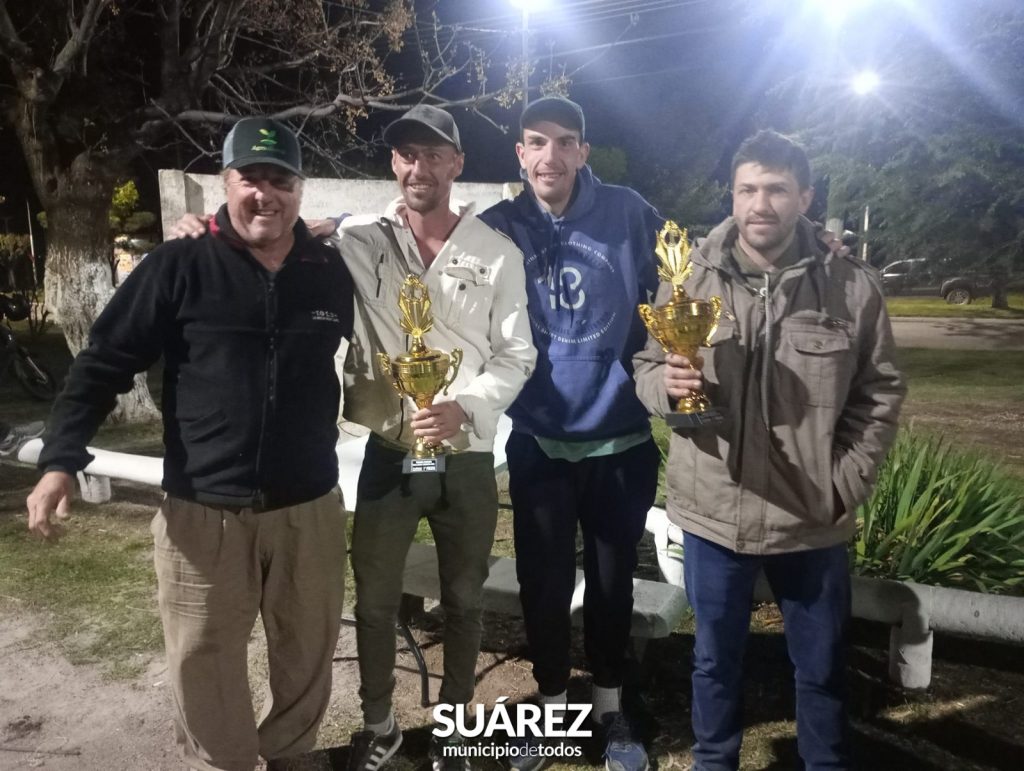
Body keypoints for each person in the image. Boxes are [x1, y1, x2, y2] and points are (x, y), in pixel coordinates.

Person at [26, 117, 354, 771]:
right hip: (203, 509)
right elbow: (104, 361)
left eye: (280, 180)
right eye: (250, 178)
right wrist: (61, 458)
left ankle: (292, 752)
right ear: (226, 183)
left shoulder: (328, 269)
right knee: (202, 655)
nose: (265, 194)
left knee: (308, 647)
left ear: (299, 189)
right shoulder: (178, 262)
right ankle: (223, 760)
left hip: (308, 507)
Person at [633, 129, 906, 771]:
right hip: (713, 512)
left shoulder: (850, 286)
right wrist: (666, 389)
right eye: (747, 189)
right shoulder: (689, 278)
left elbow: (880, 390)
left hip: (811, 517)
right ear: (732, 195)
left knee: (821, 666)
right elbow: (646, 365)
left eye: (777, 189)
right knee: (713, 661)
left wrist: (845, 482)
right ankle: (714, 762)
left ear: (804, 197)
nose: (761, 204)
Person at [338, 105, 535, 771]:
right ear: (394, 163)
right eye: (406, 154)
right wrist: (206, 225)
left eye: (432, 154)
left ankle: (453, 727)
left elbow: (517, 354)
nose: (418, 167)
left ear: (456, 163)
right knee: (372, 599)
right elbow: (281, 235)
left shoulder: (496, 253)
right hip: (389, 454)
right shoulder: (359, 239)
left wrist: (466, 407)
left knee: (464, 600)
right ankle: (379, 725)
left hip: (467, 457)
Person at [478, 96, 663, 771]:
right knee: (544, 585)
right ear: (520, 153)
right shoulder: (498, 226)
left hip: (620, 440)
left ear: (583, 151)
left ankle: (611, 710)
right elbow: (427, 249)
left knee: (613, 585)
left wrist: (808, 239)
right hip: (540, 441)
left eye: (564, 142)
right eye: (536, 142)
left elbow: (690, 269)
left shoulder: (629, 211)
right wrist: (338, 225)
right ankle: (551, 710)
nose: (550, 155)